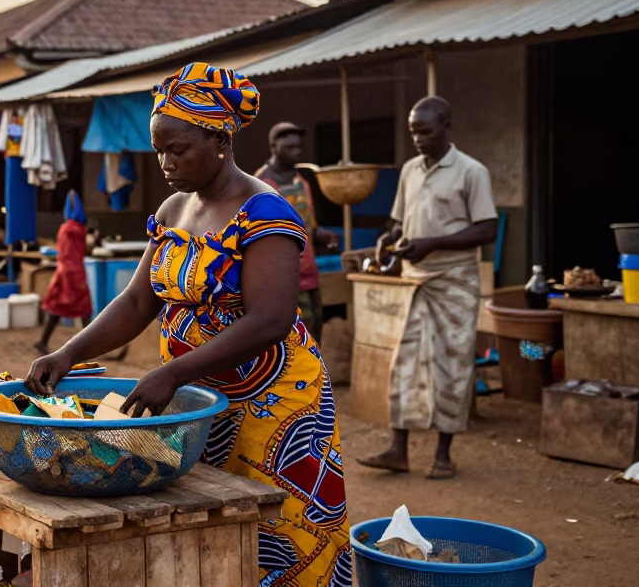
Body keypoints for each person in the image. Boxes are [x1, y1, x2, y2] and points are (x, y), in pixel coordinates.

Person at [26, 63, 351, 586]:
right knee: (212, 528)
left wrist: (173, 374)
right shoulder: (174, 209)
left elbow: (271, 319)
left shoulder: (265, 211)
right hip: (199, 400)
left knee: (283, 536)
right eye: (159, 150)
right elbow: (137, 302)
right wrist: (69, 352)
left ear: (220, 139)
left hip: (274, 406)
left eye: (179, 149)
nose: (166, 162)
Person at [358, 96, 497, 481]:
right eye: (413, 131)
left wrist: (433, 243)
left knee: (452, 365)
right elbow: (403, 222)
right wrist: (392, 237)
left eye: (426, 130)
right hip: (415, 279)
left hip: (455, 281)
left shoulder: (472, 171)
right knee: (405, 363)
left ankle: (444, 452)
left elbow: (487, 229)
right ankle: (398, 449)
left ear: (446, 126)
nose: (418, 138)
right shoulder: (410, 171)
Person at [254, 122, 340, 341]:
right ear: (274, 147)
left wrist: (321, 236)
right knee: (293, 341)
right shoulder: (262, 186)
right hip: (283, 281)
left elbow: (309, 226)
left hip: (310, 276)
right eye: (289, 148)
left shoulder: (302, 182)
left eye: (299, 148)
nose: (296, 153)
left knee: (314, 335)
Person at [32, 192, 92, 355]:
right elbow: (85, 249)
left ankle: (43, 341)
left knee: (57, 308)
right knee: (84, 309)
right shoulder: (78, 229)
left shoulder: (64, 227)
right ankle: (88, 346)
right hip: (75, 273)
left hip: (62, 272)